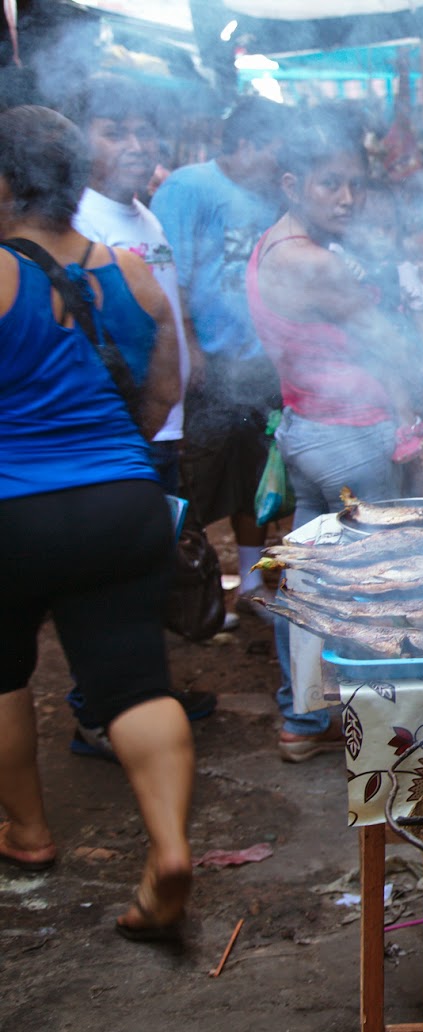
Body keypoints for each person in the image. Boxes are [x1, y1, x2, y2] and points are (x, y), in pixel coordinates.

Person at [0, 106, 194, 940]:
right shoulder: (129, 270)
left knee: (5, 677)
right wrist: (115, 458)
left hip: (13, 511)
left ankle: (31, 835)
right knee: (136, 681)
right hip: (125, 499)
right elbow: (167, 387)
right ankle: (171, 849)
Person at [247, 105, 423, 762]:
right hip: (348, 437)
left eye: (355, 184)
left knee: (313, 579)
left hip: (307, 429)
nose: (348, 198)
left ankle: (303, 718)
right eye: (330, 184)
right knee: (376, 582)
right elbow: (387, 340)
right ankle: (378, 729)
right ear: (292, 183)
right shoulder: (310, 261)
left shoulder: (280, 243)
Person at [67, 74, 216, 753]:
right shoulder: (81, 221)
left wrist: (193, 359)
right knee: (106, 578)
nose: (136, 144)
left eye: (142, 130)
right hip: (121, 431)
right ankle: (96, 710)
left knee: (153, 565)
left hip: (167, 423)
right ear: (81, 143)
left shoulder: (148, 215)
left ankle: (144, 690)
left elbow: (168, 304)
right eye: (114, 130)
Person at [151, 95, 288, 617]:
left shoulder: (267, 196)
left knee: (256, 475)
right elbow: (171, 273)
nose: (278, 163)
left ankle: (251, 584)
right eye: (272, 150)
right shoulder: (191, 186)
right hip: (208, 359)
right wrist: (186, 346)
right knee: (198, 480)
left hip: (257, 363)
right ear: (247, 143)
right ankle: (191, 588)